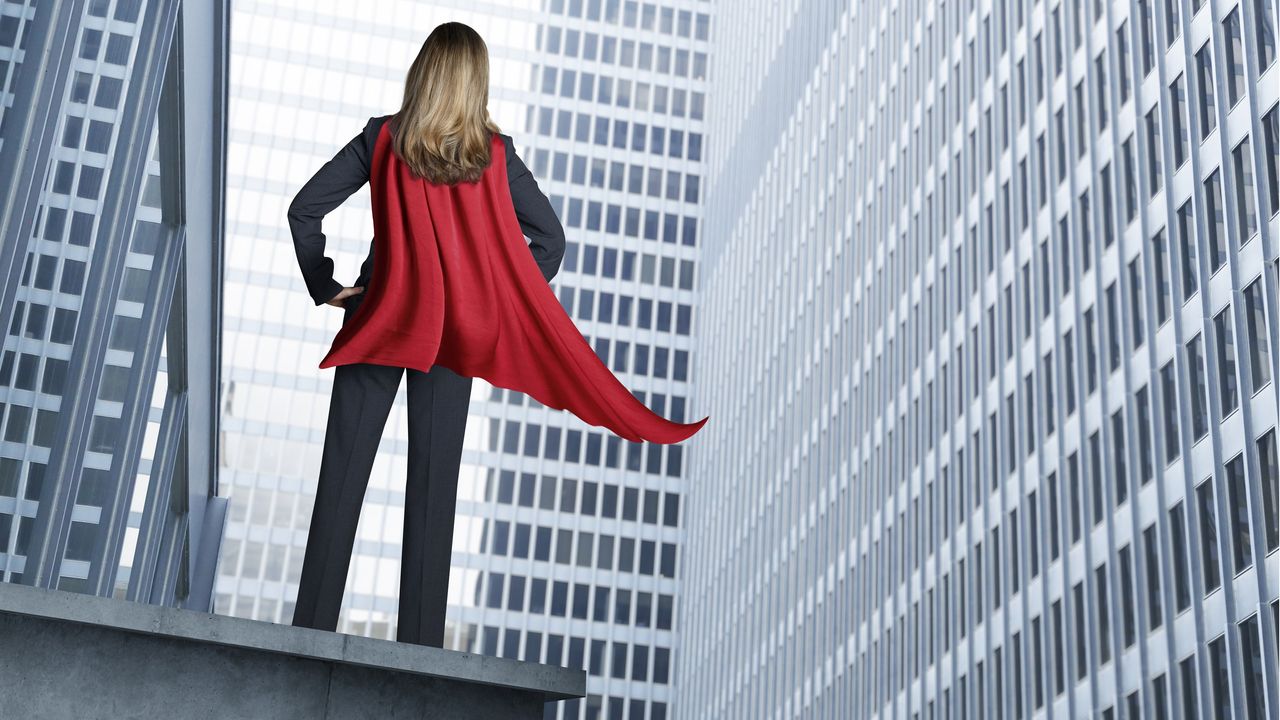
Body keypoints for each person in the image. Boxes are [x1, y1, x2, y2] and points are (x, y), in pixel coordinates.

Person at [286, 22, 707, 648]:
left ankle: (307, 638)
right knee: (435, 488)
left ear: (424, 71)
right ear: (477, 81)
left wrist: (328, 284)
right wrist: (491, 296)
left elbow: (305, 208)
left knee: (342, 479)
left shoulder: (383, 138)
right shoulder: (496, 155)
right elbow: (551, 242)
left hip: (378, 318)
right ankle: (420, 654)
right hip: (452, 337)